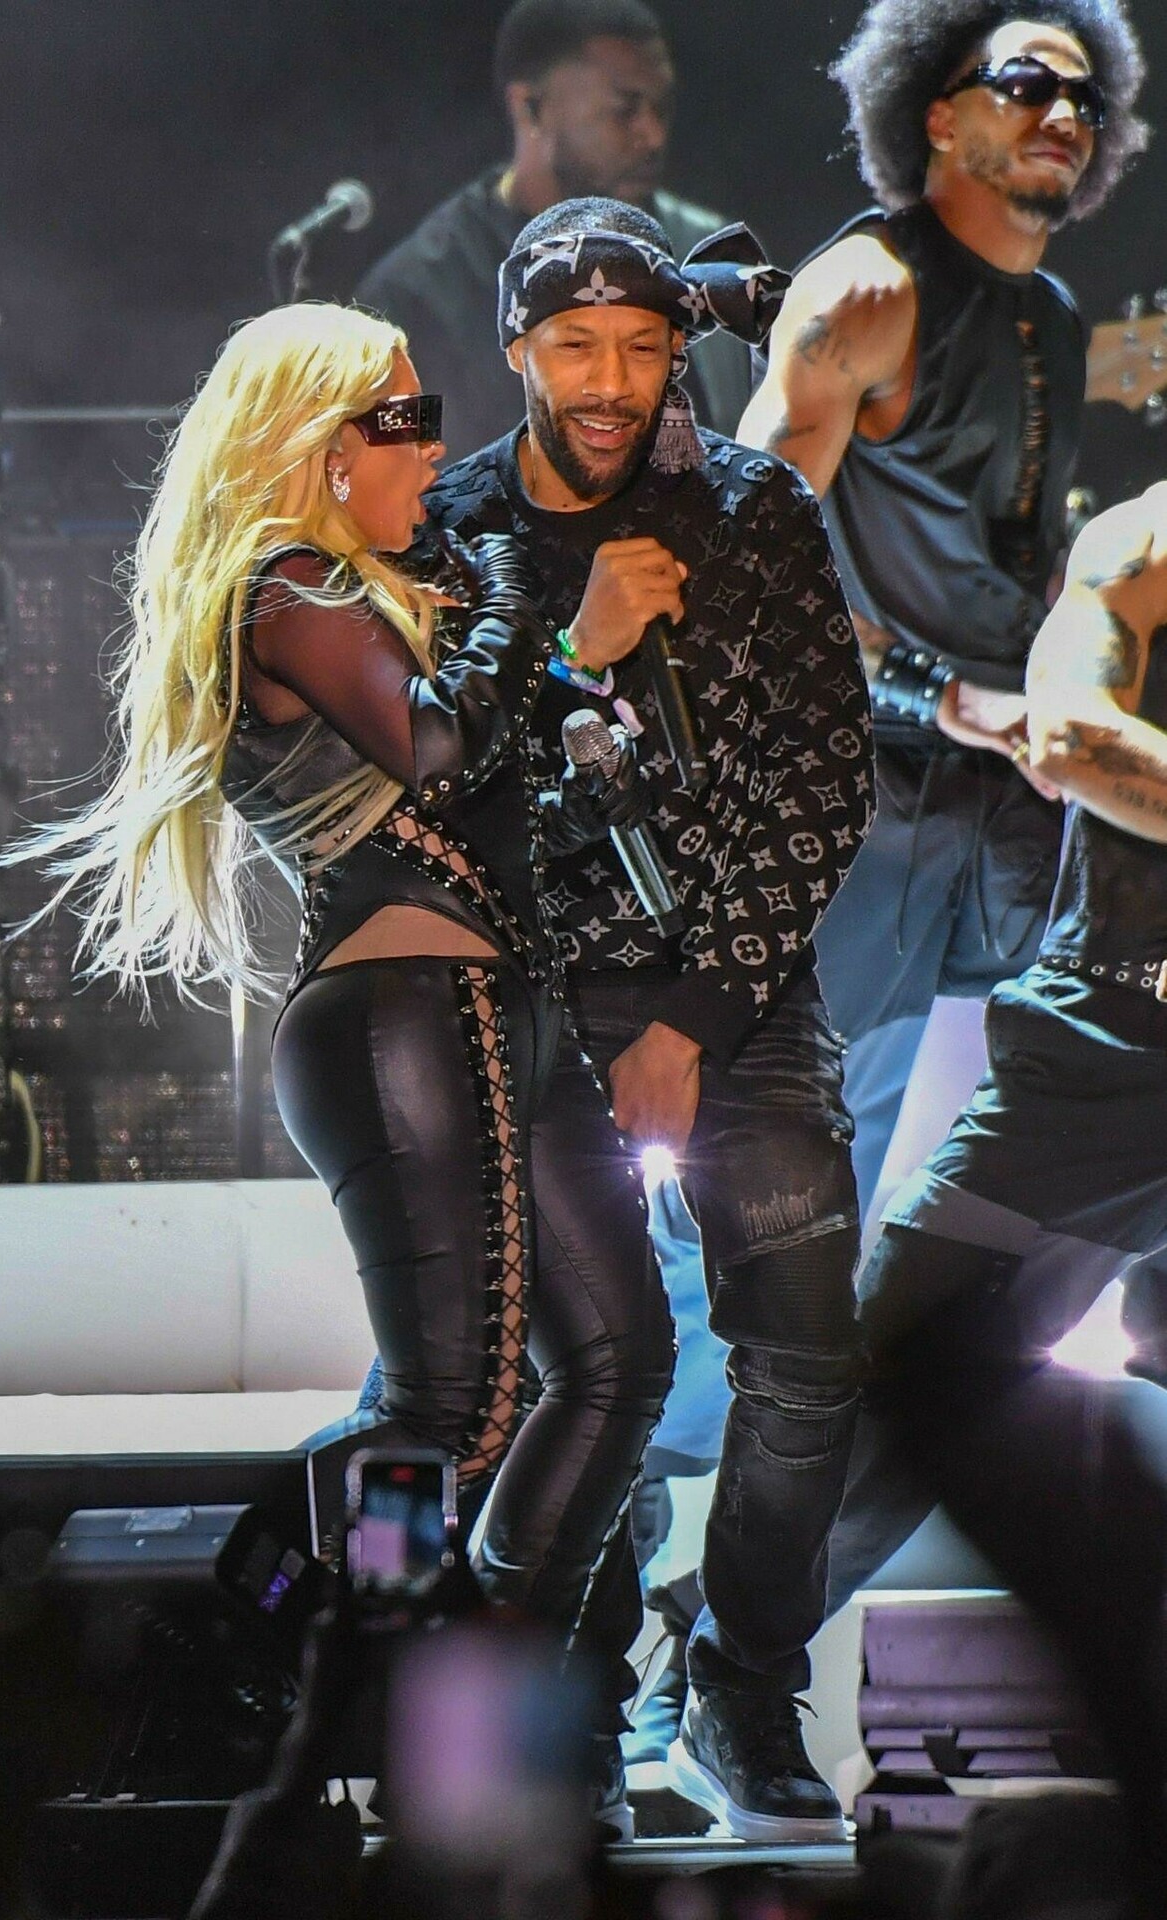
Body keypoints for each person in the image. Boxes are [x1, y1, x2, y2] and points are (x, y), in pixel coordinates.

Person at [26, 302, 675, 1783]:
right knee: (452, 1410)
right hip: (405, 1016)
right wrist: (537, 620)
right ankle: (376, 1698)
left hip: (497, 1006)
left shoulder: (380, 589)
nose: (434, 447)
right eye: (403, 419)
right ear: (319, 443)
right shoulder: (283, 585)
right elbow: (434, 746)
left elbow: (487, 782)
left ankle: (462, 1690)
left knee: (616, 1359)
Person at [422, 194, 875, 1841]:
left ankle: (740, 1693)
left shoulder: (752, 508)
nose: (610, 380)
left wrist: (694, 1014)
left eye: (640, 345)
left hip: (739, 998)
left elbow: (824, 780)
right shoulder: (452, 525)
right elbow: (442, 794)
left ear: (683, 346)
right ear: (516, 348)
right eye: (574, 345)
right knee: (586, 1372)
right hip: (529, 1011)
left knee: (808, 1357)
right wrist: (574, 646)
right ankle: (580, 1715)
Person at [738, 0, 1149, 1218]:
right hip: (862, 791)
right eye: (1024, 83)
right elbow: (744, 565)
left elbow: (1018, 566)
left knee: (1049, 1121)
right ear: (934, 113)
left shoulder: (1052, 316)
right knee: (795, 1163)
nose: (1062, 113)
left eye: (1085, 97)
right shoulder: (862, 292)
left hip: (1010, 797)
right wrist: (939, 696)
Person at [823, 485, 1167, 1915]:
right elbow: (1075, 739)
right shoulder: (1143, 544)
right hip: (1108, 1052)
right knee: (878, 1375)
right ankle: (707, 1677)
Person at [355, 0, 754, 462]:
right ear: (530, 107)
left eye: (660, 109)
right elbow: (400, 469)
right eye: (624, 110)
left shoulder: (705, 256)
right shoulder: (417, 296)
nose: (653, 135)